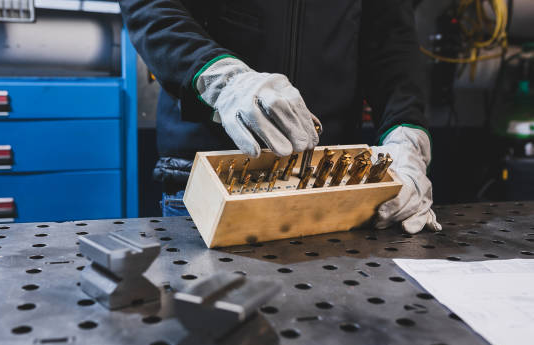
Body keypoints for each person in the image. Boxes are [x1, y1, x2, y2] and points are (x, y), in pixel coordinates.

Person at [120, 0, 442, 234]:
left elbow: (391, 41)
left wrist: (405, 134)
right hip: (210, 172)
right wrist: (223, 80)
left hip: (331, 181)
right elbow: (153, 8)